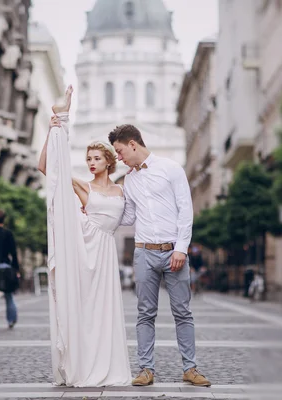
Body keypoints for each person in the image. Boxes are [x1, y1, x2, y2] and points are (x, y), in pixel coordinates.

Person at [39, 85, 131, 387]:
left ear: (108, 161)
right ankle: (81, 364)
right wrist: (56, 128)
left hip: (105, 254)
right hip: (83, 251)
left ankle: (105, 364)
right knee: (83, 309)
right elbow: (46, 168)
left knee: (103, 313)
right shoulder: (83, 186)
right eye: (88, 158)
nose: (91, 162)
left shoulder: (122, 189)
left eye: (96, 158)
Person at [109, 125, 211, 387]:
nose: (118, 157)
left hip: (173, 252)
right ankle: (146, 369)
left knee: (183, 312)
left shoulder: (171, 169)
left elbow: (185, 210)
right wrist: (103, 211)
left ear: (132, 144)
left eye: (120, 151)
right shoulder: (129, 179)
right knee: (145, 313)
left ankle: (190, 368)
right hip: (144, 253)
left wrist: (181, 248)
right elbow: (129, 216)